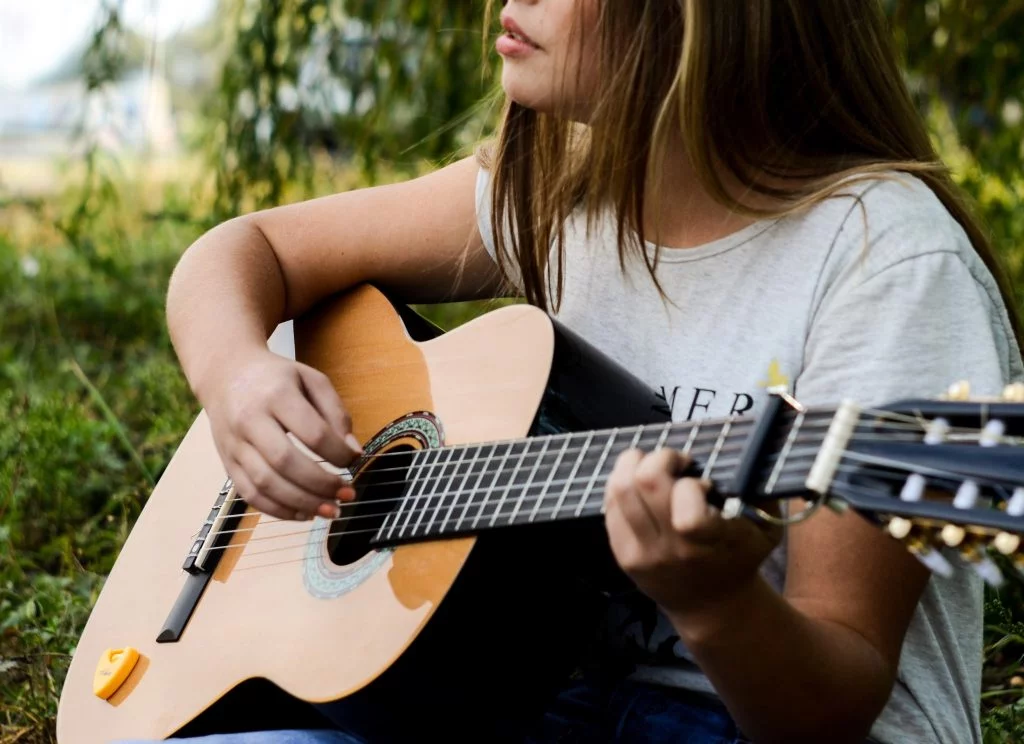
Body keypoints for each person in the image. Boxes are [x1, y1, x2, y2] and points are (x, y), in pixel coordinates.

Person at [152, 1, 1023, 742]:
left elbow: (833, 709)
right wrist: (238, 378)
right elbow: (244, 248)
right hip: (537, 700)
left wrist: (716, 601)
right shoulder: (560, 190)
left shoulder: (889, 266)